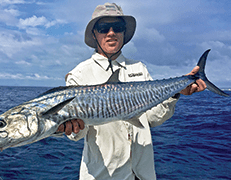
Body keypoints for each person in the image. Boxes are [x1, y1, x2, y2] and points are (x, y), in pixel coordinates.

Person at [57, 3, 206, 180]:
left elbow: (152, 118)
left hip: (143, 174)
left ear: (123, 33)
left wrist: (175, 93)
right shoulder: (79, 75)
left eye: (118, 27)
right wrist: (71, 127)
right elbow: (76, 135)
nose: (111, 33)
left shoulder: (139, 68)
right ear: (94, 34)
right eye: (104, 28)